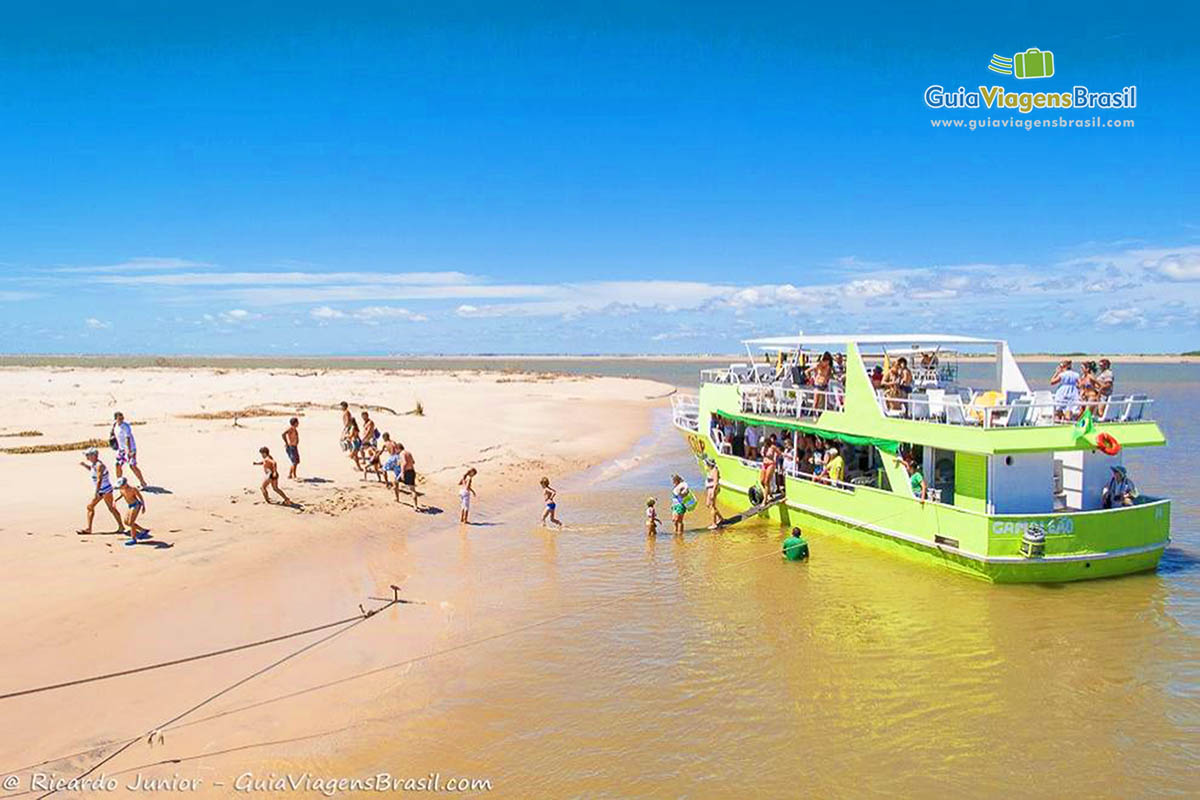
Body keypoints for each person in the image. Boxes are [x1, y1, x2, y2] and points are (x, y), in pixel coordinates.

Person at [78, 447, 124, 535]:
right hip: (104, 490)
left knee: (94, 507)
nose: (86, 457)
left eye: (88, 455)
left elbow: (99, 479)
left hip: (105, 490)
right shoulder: (94, 464)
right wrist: (84, 465)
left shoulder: (99, 465)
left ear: (94, 455)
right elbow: (92, 470)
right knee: (99, 507)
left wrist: (97, 492)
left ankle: (121, 526)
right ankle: (120, 526)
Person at [110, 411, 147, 488]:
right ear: (116, 419)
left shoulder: (126, 426)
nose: (121, 419)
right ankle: (119, 482)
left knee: (132, 466)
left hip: (130, 449)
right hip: (121, 450)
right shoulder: (115, 426)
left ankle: (143, 482)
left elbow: (128, 438)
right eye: (119, 418)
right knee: (117, 465)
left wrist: (129, 451)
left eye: (122, 417)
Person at [115, 477, 151, 545]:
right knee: (126, 522)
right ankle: (143, 531)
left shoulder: (133, 489)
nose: (121, 487)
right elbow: (122, 495)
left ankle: (134, 539)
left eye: (122, 485)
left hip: (136, 505)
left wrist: (143, 506)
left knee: (131, 522)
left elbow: (140, 497)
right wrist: (115, 500)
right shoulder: (121, 489)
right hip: (130, 506)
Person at [392, 444, 422, 511]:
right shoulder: (408, 453)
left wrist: (402, 472)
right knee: (412, 489)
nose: (396, 451)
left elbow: (404, 463)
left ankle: (397, 499)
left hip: (406, 472)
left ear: (398, 448)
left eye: (396, 449)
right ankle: (415, 506)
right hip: (412, 471)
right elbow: (413, 462)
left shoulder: (402, 454)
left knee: (395, 482)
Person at [704, 457, 724, 529]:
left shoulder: (714, 470)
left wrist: (713, 492)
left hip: (713, 489)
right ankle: (720, 518)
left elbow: (715, 482)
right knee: (708, 504)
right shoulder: (710, 470)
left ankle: (714, 524)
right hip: (709, 489)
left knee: (712, 506)